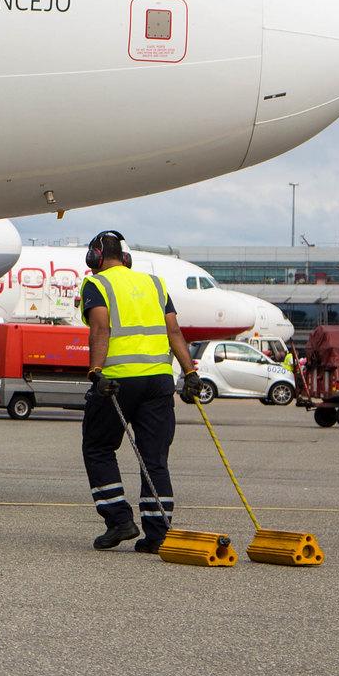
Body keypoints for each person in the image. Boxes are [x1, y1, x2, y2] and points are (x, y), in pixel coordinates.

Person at [79, 230, 202, 553]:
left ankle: (119, 519)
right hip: (159, 380)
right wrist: (190, 373)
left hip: (118, 380)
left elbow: (101, 328)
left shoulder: (97, 284)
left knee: (98, 447)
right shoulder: (155, 284)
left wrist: (96, 371)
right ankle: (158, 533)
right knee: (154, 457)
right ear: (126, 257)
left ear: (96, 257)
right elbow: (173, 329)